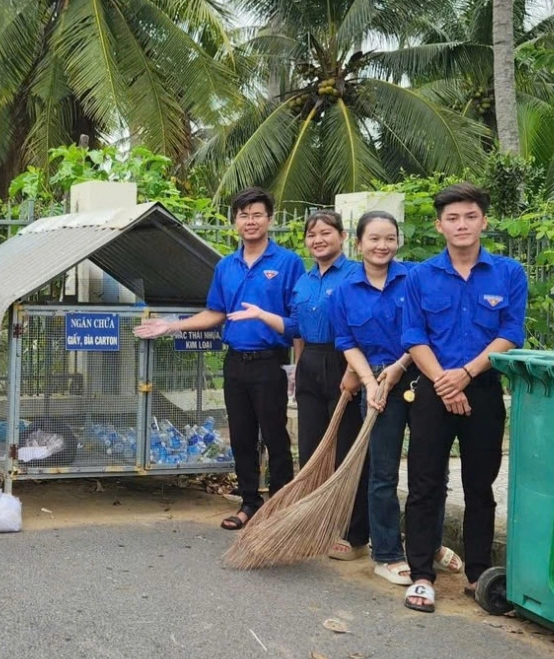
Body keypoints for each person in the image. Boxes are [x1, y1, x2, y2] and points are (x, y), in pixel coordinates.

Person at [135, 187, 304, 530]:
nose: (251, 221)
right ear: (235, 222)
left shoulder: (288, 263)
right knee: (241, 436)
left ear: (269, 219)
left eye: (257, 214)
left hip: (272, 362)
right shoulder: (226, 266)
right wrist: (171, 327)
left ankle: (281, 506)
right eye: (244, 215)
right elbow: (216, 313)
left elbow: (296, 321)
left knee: (275, 437)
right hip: (236, 363)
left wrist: (296, 368)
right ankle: (249, 503)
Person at [400, 183, 527, 613]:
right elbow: (413, 336)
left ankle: (477, 575)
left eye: (470, 216)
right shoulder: (420, 276)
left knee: (481, 486)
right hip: (434, 391)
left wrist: (467, 374)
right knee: (424, 483)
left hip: (485, 390)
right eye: (452, 218)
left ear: (483, 221)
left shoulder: (508, 273)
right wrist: (444, 383)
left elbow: (510, 333)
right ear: (440, 226)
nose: (462, 224)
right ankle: (420, 574)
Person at [329, 211, 464, 587]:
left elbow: (424, 331)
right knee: (382, 474)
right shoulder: (345, 289)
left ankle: (429, 546)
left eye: (389, 238)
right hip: (375, 384)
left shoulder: (417, 279)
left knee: (431, 471)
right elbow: (346, 342)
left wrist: (400, 367)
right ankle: (386, 553)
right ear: (358, 243)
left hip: (419, 377)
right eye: (373, 239)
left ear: (398, 241)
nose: (382, 246)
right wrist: (371, 384)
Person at [226, 210, 367, 557]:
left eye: (326, 233)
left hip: (345, 361)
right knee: (311, 451)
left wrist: (355, 371)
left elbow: (362, 324)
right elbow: (294, 329)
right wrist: (261, 316)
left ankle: (354, 533)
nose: (318, 240)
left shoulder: (354, 275)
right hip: (310, 365)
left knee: (346, 450)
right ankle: (314, 524)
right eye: (312, 235)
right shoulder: (304, 281)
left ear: (343, 237)